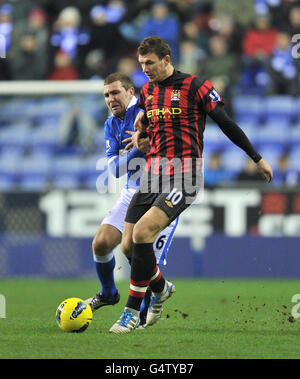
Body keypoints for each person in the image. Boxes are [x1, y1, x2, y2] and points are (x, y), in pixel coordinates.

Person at [109, 36, 273, 334]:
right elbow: (147, 124)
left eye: (150, 63)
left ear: (167, 59)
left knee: (145, 232)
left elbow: (225, 122)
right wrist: (141, 133)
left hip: (185, 175)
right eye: (142, 63)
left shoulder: (196, 86)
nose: (145, 68)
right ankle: (160, 287)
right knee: (128, 245)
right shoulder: (146, 92)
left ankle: (131, 313)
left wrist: (256, 157)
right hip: (153, 175)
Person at [85, 72, 179, 327]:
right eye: (106, 95)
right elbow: (115, 169)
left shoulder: (148, 112)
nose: (110, 99)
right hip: (131, 193)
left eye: (115, 92)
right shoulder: (110, 124)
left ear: (130, 92)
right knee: (101, 243)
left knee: (135, 250)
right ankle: (108, 293)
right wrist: (139, 148)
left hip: (162, 191)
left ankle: (147, 301)